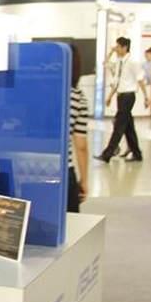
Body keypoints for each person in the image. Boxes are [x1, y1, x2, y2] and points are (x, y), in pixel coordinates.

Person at [97, 36, 148, 163]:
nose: (116, 49)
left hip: (128, 96)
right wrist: (110, 96)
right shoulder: (119, 61)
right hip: (120, 96)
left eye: (118, 47)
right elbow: (108, 68)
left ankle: (108, 154)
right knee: (129, 128)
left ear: (125, 47)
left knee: (118, 126)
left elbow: (140, 79)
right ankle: (137, 154)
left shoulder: (133, 61)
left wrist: (146, 97)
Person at [68, 44, 90, 212]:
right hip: (63, 172)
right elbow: (80, 146)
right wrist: (84, 180)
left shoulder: (34, 94)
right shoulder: (77, 97)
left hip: (26, 169)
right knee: (70, 222)